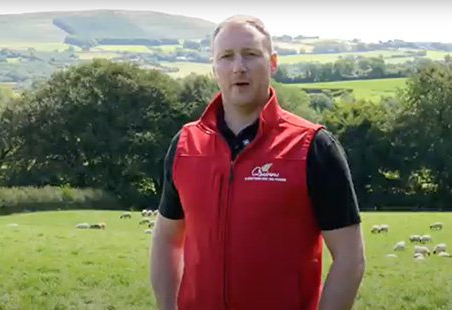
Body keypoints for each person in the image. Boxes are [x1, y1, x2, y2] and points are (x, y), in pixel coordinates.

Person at [149, 15, 366, 310]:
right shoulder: (186, 145)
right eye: (226, 56)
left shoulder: (313, 146)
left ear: (272, 62)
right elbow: (166, 240)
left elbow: (349, 258)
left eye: (250, 54)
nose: (239, 67)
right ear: (214, 68)